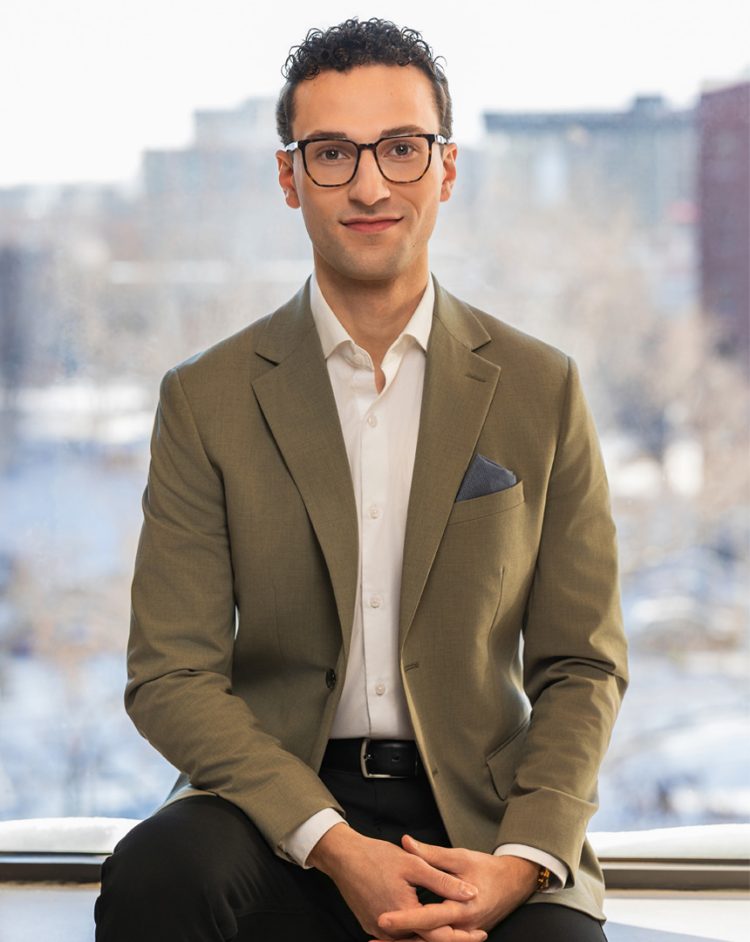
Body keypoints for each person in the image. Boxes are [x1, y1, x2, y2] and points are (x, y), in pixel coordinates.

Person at [95, 17, 628, 942]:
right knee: (158, 874)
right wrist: (333, 843)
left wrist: (520, 861)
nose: (371, 185)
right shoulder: (206, 398)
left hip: (479, 819)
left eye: (403, 148)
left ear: (446, 169)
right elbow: (170, 674)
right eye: (333, 153)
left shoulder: (543, 388)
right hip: (275, 809)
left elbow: (583, 663)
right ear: (290, 177)